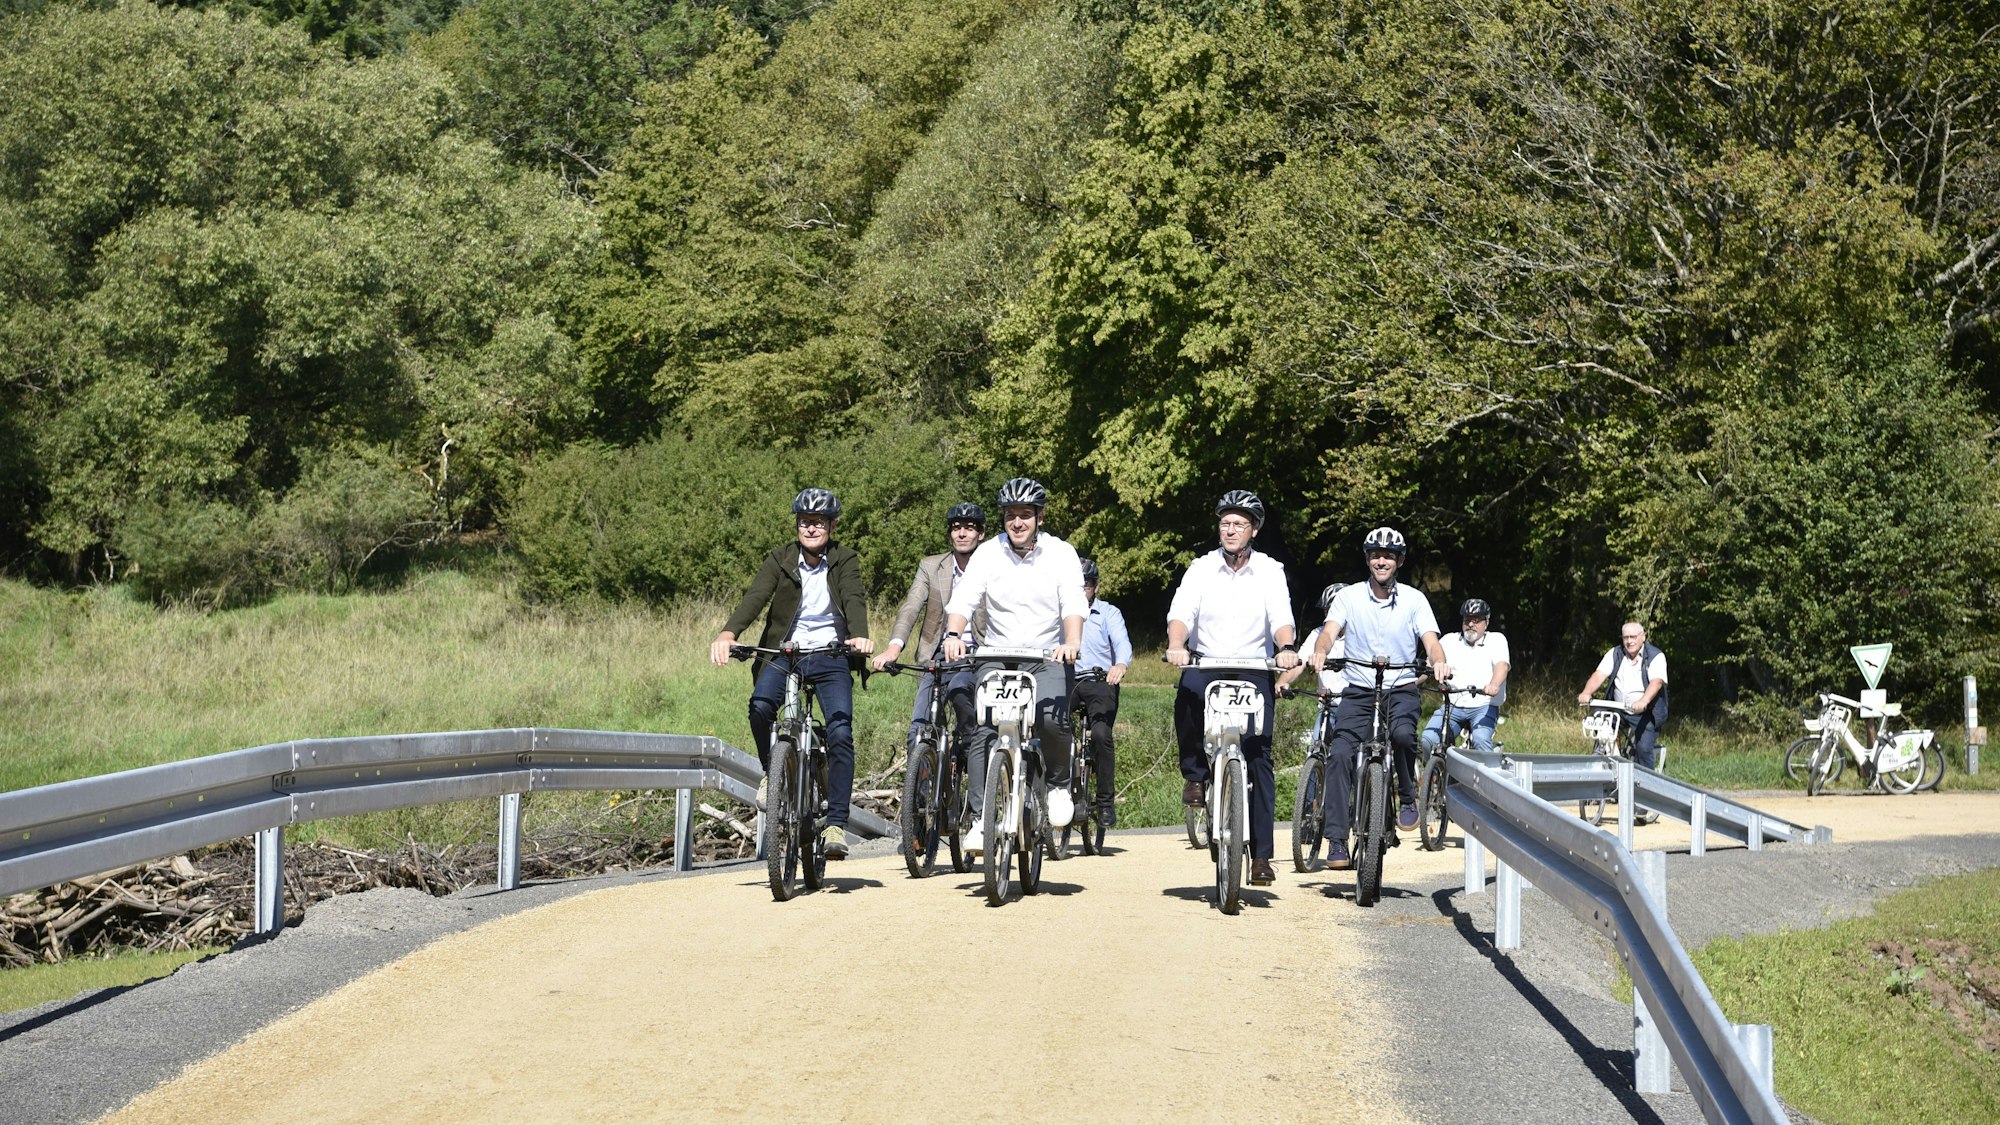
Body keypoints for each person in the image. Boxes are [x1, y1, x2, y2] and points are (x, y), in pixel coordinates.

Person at [708, 488, 873, 860]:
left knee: (840, 730)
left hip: (831, 654)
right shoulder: (780, 559)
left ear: (831, 525)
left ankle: (835, 823)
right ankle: (775, 775)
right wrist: (728, 633)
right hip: (785, 652)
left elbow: (853, 597)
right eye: (804, 522)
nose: (810, 528)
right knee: (761, 706)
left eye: (817, 522)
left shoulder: (844, 559)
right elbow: (755, 597)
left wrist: (859, 635)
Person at [940, 478, 1087, 853]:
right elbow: (963, 599)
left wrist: (1071, 643)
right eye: (1010, 516)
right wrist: (954, 635)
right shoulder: (989, 554)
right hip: (997, 655)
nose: (1017, 522)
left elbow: (1072, 603)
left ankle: (1056, 785)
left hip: (1045, 656)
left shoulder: (1061, 553)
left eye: (1025, 515)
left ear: (1039, 517)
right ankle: (979, 819)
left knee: (1052, 719)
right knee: (982, 729)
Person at [1165, 490, 1300, 888]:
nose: (1230, 530)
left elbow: (1281, 617)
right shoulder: (1201, 568)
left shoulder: (1271, 570)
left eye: (1238, 524)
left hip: (1253, 666)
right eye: (1225, 523)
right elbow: (1181, 613)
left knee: (1259, 755)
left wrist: (1287, 649)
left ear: (1253, 530)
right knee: (1187, 696)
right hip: (1207, 661)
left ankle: (1260, 857)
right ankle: (1195, 776)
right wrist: (1177, 645)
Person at [1308, 527, 1449, 869]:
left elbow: (1430, 639)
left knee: (1402, 735)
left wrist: (1439, 660)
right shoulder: (1350, 597)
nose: (1381, 560)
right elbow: (1328, 632)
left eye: (1388, 555)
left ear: (1399, 561)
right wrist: (1320, 651)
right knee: (1340, 754)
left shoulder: (1415, 599)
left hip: (1400, 687)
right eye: (1375, 555)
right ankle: (1338, 840)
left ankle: (1406, 796)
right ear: (1367, 559)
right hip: (1358, 689)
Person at [871, 502, 988, 765]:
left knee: (961, 693)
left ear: (981, 534)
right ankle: (922, 798)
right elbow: (911, 607)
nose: (961, 534)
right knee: (919, 728)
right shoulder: (931, 566)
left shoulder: (993, 568)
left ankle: (971, 753)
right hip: (937, 655)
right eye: (956, 528)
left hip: (978, 654)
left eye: (969, 528)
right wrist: (894, 647)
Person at [1073, 558, 1131, 827]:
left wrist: (1120, 664)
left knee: (1101, 734)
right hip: (1068, 679)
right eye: (1077, 585)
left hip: (1100, 681)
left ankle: (1106, 804)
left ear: (1095, 587)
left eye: (1086, 585)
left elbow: (1121, 643)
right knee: (1049, 725)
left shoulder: (1109, 613)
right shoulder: (1059, 612)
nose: (1081, 590)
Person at [1421, 598, 1509, 754]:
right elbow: (1430, 664)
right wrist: (1411, 682)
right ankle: (1437, 775)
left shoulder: (1496, 640)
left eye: (1476, 620)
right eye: (1467, 620)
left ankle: (1488, 776)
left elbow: (1502, 666)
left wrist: (1494, 685)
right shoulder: (1449, 640)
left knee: (1481, 741)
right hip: (1453, 705)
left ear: (1486, 622)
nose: (1471, 624)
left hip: (1484, 706)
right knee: (1428, 740)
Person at [1576, 621, 1668, 769]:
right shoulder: (1615, 653)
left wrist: (1643, 701)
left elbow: (1656, 682)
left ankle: (1646, 784)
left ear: (1643, 637)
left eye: (1633, 637)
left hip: (1646, 711)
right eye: (1626, 637)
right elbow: (1599, 675)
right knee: (1602, 729)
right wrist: (1587, 692)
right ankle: (1602, 767)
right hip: (1619, 708)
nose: (1629, 641)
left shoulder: (1656, 656)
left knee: (1643, 749)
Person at [1276, 583, 1348, 700]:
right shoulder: (1317, 633)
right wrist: (1282, 682)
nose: (1329, 616)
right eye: (1326, 611)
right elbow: (1300, 661)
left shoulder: (1361, 634)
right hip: (1327, 703)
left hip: (1356, 706)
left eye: (1333, 611)